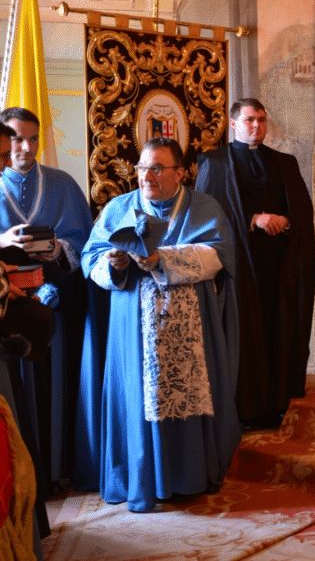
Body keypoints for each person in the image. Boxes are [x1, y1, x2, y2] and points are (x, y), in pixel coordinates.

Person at [80, 137, 239, 512]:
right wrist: (113, 264)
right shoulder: (119, 207)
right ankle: (141, 478)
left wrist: (161, 260)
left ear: (180, 172)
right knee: (136, 395)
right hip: (132, 326)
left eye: (157, 168)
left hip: (189, 330)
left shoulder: (204, 206)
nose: (146, 175)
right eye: (141, 168)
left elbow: (220, 255)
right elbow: (91, 257)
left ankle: (189, 476)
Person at [195, 98, 315, 431]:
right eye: (249, 120)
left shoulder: (284, 163)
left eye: (261, 120)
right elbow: (207, 219)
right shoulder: (214, 163)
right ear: (233, 123)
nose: (256, 126)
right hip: (238, 267)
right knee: (243, 332)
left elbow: (302, 213)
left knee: (278, 329)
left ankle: (275, 404)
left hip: (279, 265)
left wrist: (284, 221)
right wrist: (253, 220)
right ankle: (245, 409)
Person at [0, 107, 92, 494]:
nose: (26, 147)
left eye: (34, 138)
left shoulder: (63, 183)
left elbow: (87, 243)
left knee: (53, 387)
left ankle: (54, 471)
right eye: (18, 139)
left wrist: (57, 249)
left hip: (53, 306)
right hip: (5, 312)